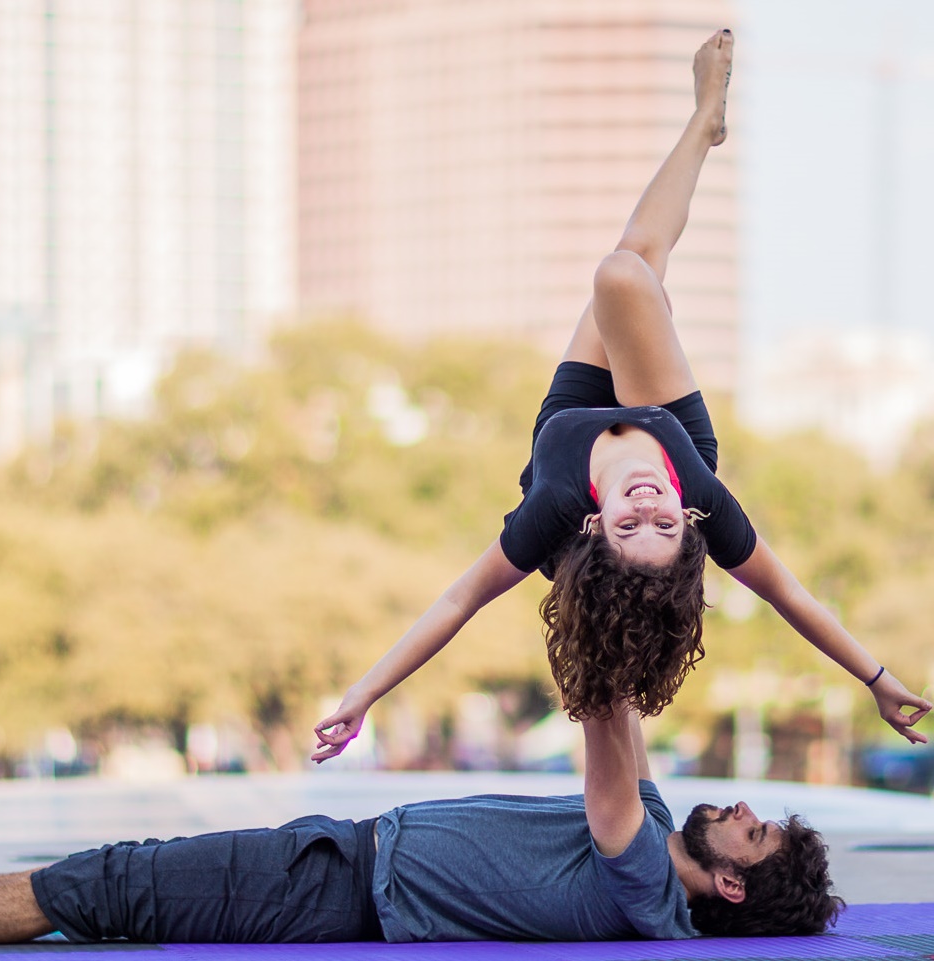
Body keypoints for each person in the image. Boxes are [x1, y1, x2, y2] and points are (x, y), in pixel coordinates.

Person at [312, 29, 930, 763]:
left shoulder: (552, 512)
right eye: (661, 526)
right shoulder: (695, 492)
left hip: (569, 422)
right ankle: (703, 122)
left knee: (626, 266)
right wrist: (877, 677)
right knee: (627, 271)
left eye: (628, 525)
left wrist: (361, 695)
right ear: (685, 518)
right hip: (667, 427)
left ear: (593, 527)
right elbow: (789, 595)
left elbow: (455, 602)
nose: (646, 508)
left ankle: (704, 121)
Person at [0, 699, 842, 950]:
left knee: (104, 886)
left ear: (732, 885)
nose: (744, 809)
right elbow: (629, 729)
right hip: (341, 851)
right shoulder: (659, 822)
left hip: (328, 886)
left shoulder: (647, 887)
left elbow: (604, 718)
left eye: (757, 833)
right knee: (108, 878)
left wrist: (598, 554)